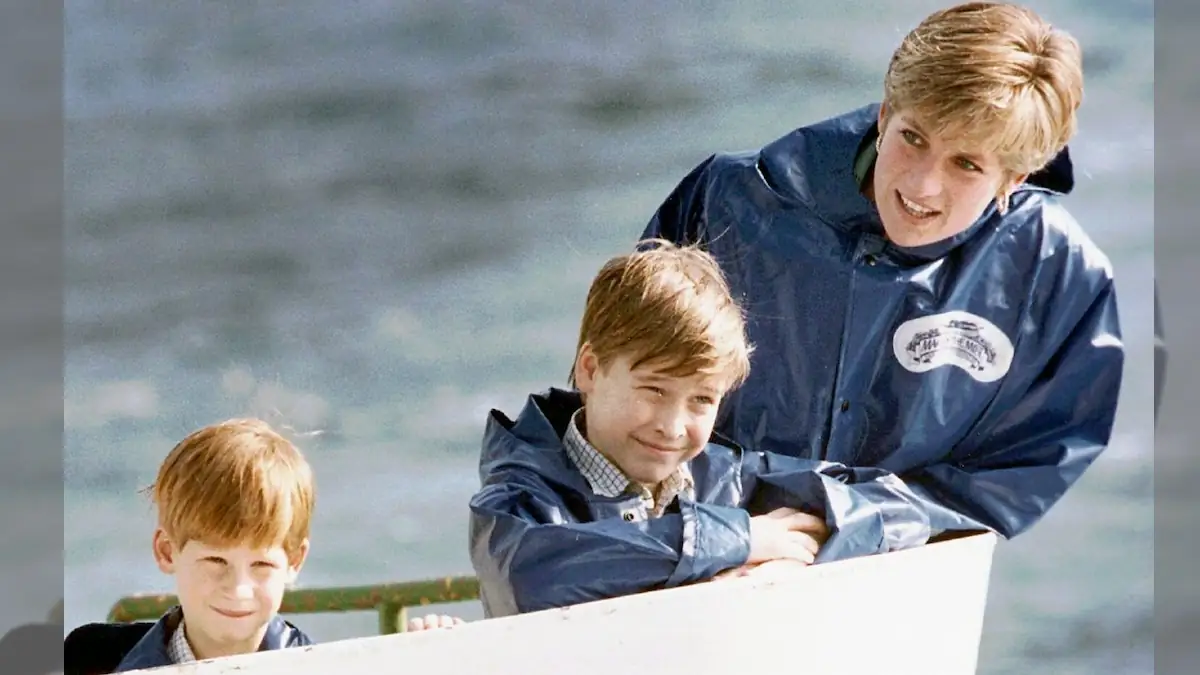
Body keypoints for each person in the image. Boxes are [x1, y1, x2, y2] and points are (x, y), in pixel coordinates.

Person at [638, 2, 1124, 545]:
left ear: (1014, 176)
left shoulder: (1058, 275)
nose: (921, 187)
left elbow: (1024, 466)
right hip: (703, 543)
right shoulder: (728, 200)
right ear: (885, 112)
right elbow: (629, 385)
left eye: (966, 163)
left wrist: (856, 520)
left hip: (897, 571)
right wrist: (736, 529)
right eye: (913, 138)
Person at [469, 241, 931, 618]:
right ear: (590, 369)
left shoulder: (726, 481)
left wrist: (790, 562)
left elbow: (901, 508)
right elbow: (530, 576)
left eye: (701, 400)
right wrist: (738, 540)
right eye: (653, 390)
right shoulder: (518, 497)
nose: (671, 427)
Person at [64, 418, 457, 675]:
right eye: (216, 559)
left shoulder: (326, 669)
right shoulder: (90, 660)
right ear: (167, 552)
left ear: (295, 561)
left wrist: (436, 659)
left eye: (262, 565)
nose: (238, 589)